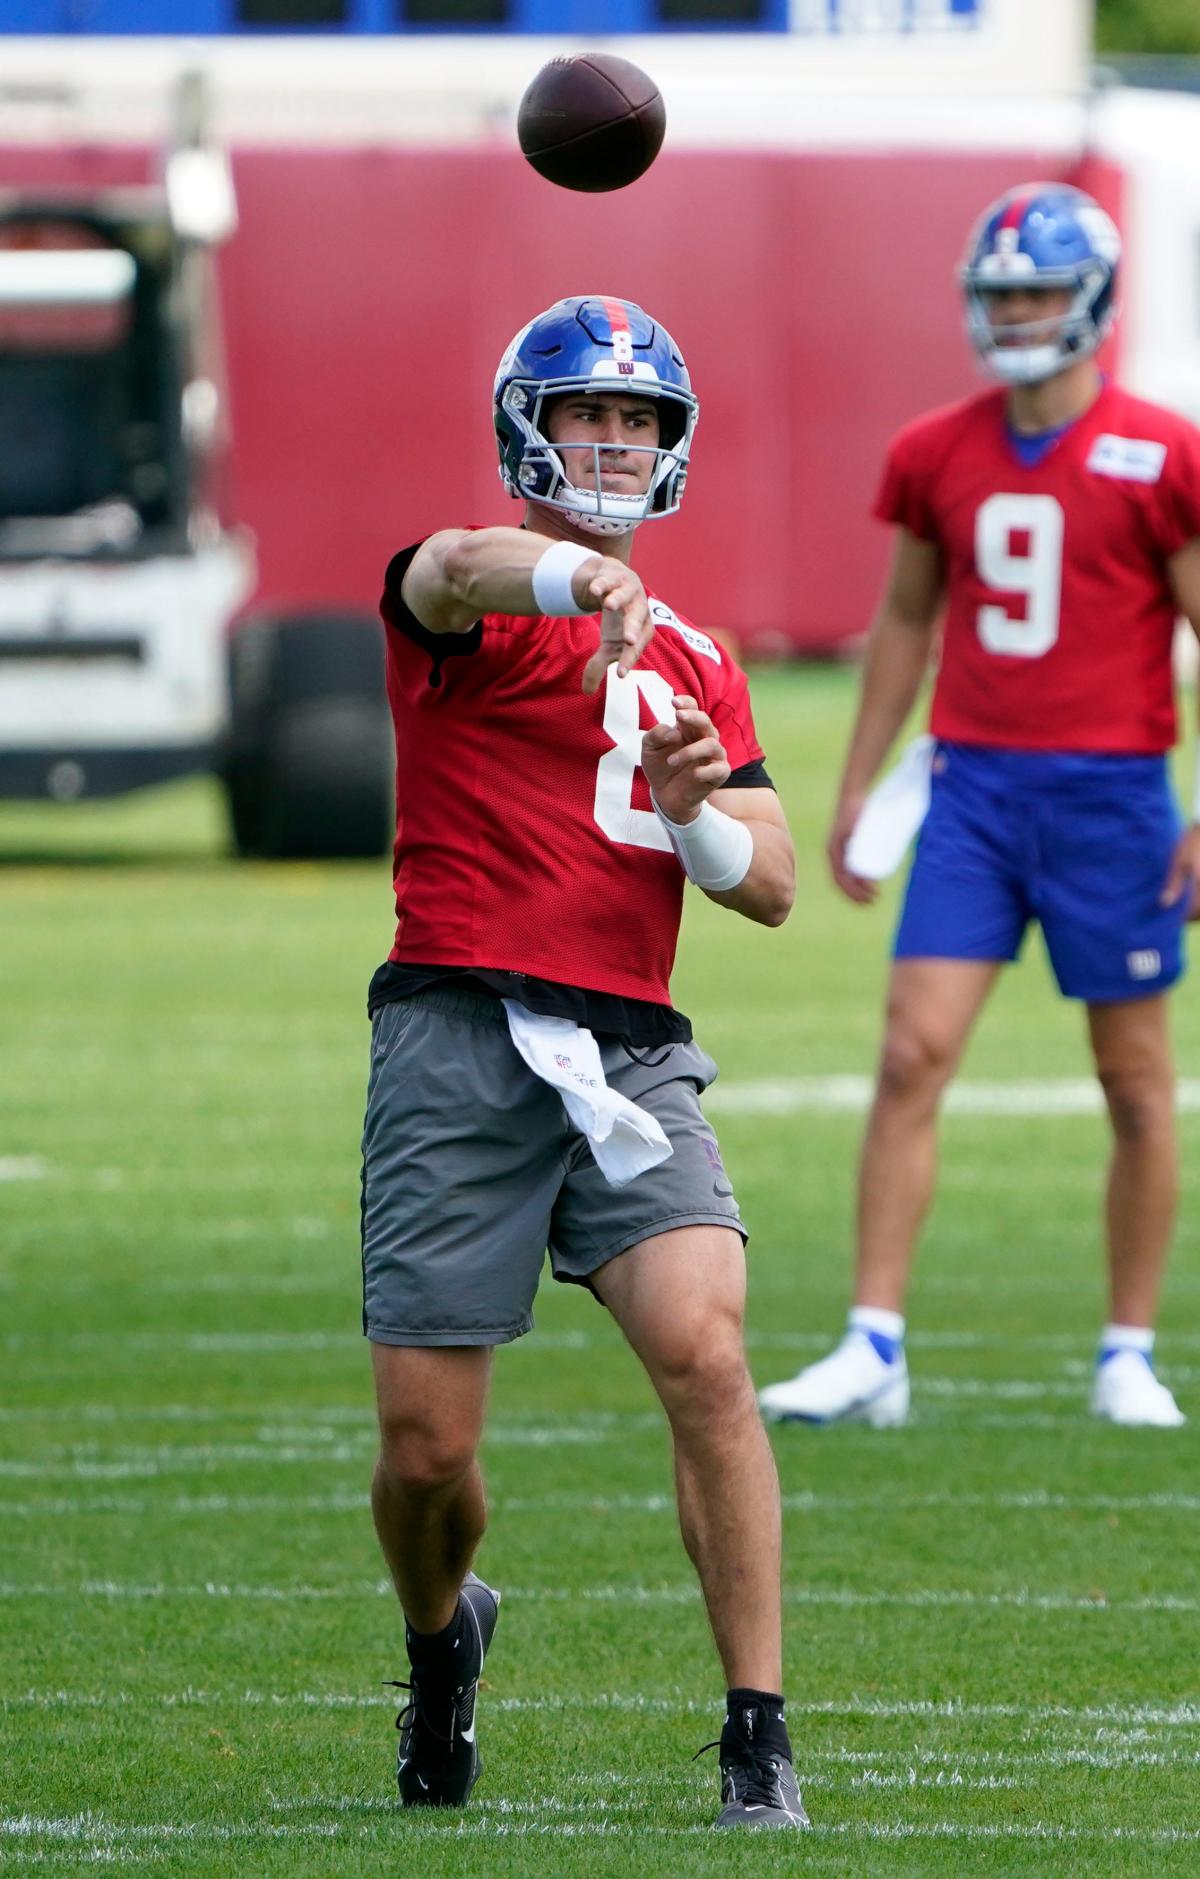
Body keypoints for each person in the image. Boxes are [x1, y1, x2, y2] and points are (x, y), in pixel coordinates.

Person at [361, 295, 806, 1829]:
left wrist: (695, 803)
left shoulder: (698, 651)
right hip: (460, 1028)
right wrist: (574, 574)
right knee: (427, 1451)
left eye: (639, 420)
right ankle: (442, 1639)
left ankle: (758, 1731)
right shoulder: (486, 594)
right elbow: (447, 564)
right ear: (525, 428)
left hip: (629, 1047)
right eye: (585, 414)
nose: (612, 441)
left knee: (708, 1347)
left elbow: (771, 878)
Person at [759, 184, 1200, 1433]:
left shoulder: (1162, 452)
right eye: (1001, 292)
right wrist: (854, 785)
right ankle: (873, 1342)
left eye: (1039, 292)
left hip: (1114, 794)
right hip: (974, 790)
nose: (1017, 313)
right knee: (910, 1053)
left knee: (1135, 1081)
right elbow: (907, 618)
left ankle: (1127, 1348)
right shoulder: (933, 448)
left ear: (1095, 302)